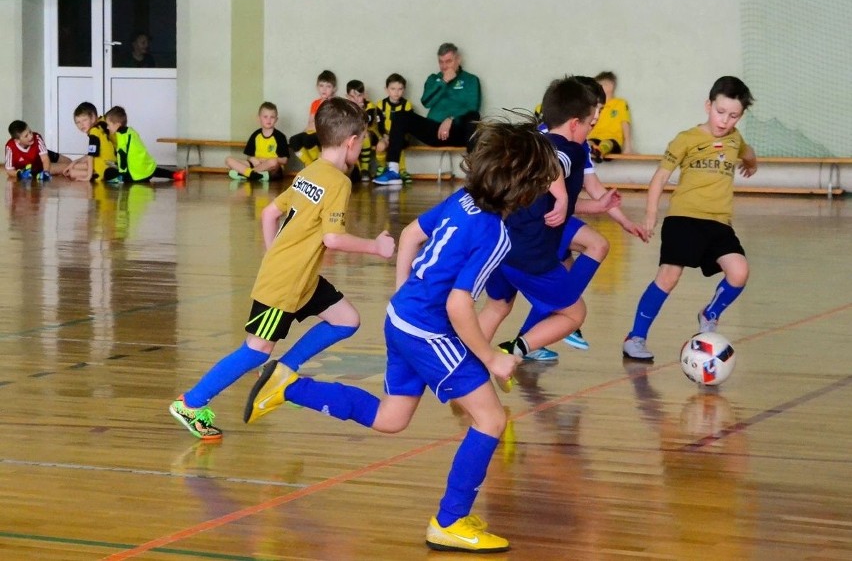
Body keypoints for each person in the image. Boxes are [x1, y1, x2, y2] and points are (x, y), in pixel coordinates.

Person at [242, 119, 560, 553]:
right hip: (428, 330)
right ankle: (450, 521)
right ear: (524, 190)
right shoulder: (496, 235)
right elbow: (458, 305)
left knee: (392, 418)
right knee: (491, 419)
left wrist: (401, 294)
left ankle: (291, 386)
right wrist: (491, 357)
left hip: (401, 318)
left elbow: (411, 234)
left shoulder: (463, 199)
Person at [169, 97, 395, 440]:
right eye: (362, 140)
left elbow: (269, 214)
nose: (361, 146)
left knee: (346, 319)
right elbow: (333, 239)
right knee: (255, 350)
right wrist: (376, 248)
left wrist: (275, 252)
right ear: (351, 142)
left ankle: (283, 371)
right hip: (287, 283)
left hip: (299, 277)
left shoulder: (310, 172)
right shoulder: (338, 182)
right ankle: (192, 402)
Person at [477, 77, 619, 362]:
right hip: (530, 253)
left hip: (499, 244)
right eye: (592, 123)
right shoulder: (571, 150)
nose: (592, 128)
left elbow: (549, 199)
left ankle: (460, 366)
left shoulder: (533, 142)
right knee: (574, 314)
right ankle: (512, 351)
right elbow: (551, 164)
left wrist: (595, 206)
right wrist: (564, 197)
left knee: (497, 307)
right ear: (575, 123)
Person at [622, 76, 757, 361]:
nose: (725, 121)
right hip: (683, 218)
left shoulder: (735, 139)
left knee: (739, 272)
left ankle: (710, 313)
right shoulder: (686, 139)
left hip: (719, 223)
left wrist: (750, 164)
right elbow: (660, 177)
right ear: (708, 105)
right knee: (669, 277)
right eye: (720, 112)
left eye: (733, 116)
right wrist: (650, 215)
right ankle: (636, 337)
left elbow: (747, 153)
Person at [527, 76, 649, 359]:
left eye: (601, 112)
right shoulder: (548, 138)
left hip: (556, 219)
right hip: (536, 222)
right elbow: (546, 175)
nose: (597, 117)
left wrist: (625, 221)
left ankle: (538, 336)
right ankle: (542, 330)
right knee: (592, 250)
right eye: (596, 110)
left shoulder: (579, 144)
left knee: (567, 272)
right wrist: (563, 198)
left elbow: (594, 189)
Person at [375, 43, 480, 186]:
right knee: (400, 115)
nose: (444, 66)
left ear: (458, 60)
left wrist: (451, 119)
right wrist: (443, 81)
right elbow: (426, 101)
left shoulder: (471, 80)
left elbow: (473, 106)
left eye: (448, 61)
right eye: (441, 62)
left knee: (473, 116)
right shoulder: (433, 79)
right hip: (434, 132)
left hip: (459, 132)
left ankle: (475, 174)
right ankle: (393, 171)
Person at [102, 106, 187, 183]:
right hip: (146, 170)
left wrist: (122, 174)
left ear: (117, 125)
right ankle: (175, 175)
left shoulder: (121, 136)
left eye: (109, 125)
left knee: (108, 173)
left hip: (134, 176)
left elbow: (122, 155)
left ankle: (121, 179)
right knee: (155, 170)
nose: (107, 127)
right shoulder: (131, 131)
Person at [226, 102, 290, 182]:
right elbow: (249, 156)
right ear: (259, 118)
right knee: (229, 160)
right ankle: (255, 175)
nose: (268, 120)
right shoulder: (255, 135)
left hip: (271, 168)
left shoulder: (280, 137)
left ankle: (246, 174)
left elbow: (284, 160)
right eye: (265, 117)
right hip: (256, 164)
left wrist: (265, 160)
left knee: (273, 162)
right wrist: (253, 159)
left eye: (272, 117)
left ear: (276, 119)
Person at [289, 70, 337, 166]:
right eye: (321, 85)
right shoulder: (315, 103)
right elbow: (310, 122)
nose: (324, 89)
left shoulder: (334, 103)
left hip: (326, 134)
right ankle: (309, 164)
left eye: (328, 86)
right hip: (313, 132)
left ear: (334, 89)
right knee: (294, 140)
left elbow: (329, 124)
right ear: (317, 87)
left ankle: (317, 164)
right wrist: (305, 131)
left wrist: (314, 127)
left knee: (308, 138)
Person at [374, 73, 414, 184]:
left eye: (400, 89)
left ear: (404, 90)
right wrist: (385, 136)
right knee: (381, 146)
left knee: (397, 142)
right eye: (393, 89)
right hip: (385, 135)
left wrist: (395, 137)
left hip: (402, 136)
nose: (396, 92)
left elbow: (409, 125)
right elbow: (380, 124)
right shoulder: (381, 105)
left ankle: (401, 171)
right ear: (386, 90)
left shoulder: (407, 105)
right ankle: (382, 167)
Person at [63, 102, 116, 182]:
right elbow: (92, 153)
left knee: (72, 172)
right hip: (111, 162)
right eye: (78, 122)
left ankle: (93, 174)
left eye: (84, 120)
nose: (81, 125)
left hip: (104, 168)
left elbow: (91, 156)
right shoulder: (100, 126)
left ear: (93, 118)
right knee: (74, 167)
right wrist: (74, 162)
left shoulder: (94, 133)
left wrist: (88, 176)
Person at [588, 71, 633, 161]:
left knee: (607, 143)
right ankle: (592, 150)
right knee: (589, 142)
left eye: (600, 85)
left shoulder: (620, 103)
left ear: (610, 86)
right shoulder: (595, 105)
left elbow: (625, 123)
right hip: (595, 136)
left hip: (613, 139)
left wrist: (628, 146)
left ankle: (599, 151)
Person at [4, 120, 71, 180]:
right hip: (38, 167)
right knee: (67, 168)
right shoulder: (10, 147)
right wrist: (19, 174)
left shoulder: (37, 137)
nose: (31, 136)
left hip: (43, 156)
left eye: (30, 132)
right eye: (26, 136)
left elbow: (45, 159)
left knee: (69, 162)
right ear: (17, 140)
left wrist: (46, 173)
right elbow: (9, 170)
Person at [344, 80, 382, 182]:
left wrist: (359, 109)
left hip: (371, 132)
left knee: (364, 136)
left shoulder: (369, 105)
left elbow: (366, 122)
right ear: (347, 96)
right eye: (352, 96)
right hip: (353, 133)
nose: (356, 99)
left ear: (364, 95)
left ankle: (365, 169)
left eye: (359, 95)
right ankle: (354, 168)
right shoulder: (345, 107)